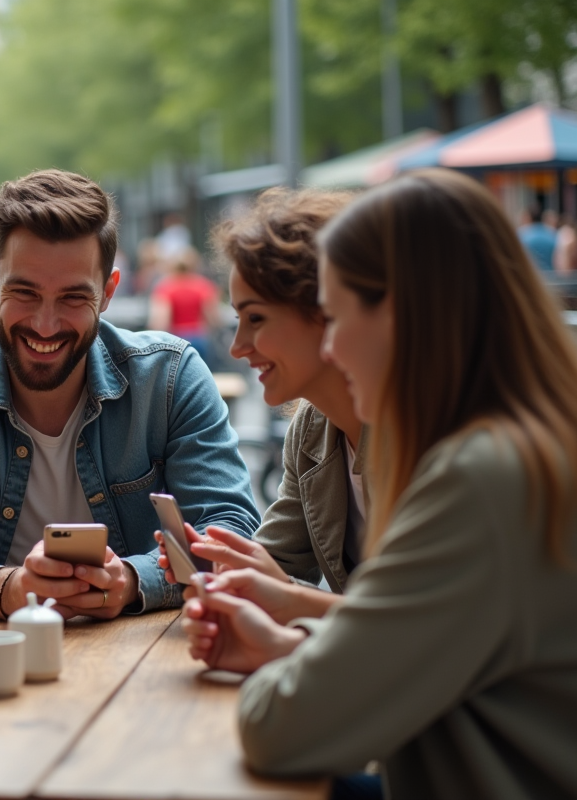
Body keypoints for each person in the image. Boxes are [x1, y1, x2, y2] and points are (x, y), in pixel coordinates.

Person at [180, 169, 577, 798]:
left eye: (335, 316)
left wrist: (288, 648)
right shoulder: (521, 442)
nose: (334, 346)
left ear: (397, 314)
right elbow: (433, 649)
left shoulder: (475, 479)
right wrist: (293, 638)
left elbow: (279, 726)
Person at [0, 169, 259, 620]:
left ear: (108, 292)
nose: (45, 325)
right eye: (24, 293)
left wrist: (130, 580)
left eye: (73, 298)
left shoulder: (170, 376)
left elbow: (230, 529)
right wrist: (6, 588)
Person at [182, 187, 365, 598]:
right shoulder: (312, 427)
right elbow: (275, 564)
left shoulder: (426, 431)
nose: (237, 346)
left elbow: (412, 623)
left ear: (326, 310)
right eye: (238, 319)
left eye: (256, 318)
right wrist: (222, 571)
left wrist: (281, 592)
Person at [147, 248, 221, 370]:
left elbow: (160, 320)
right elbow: (213, 317)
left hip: (176, 338)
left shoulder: (165, 287)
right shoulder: (203, 285)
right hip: (199, 338)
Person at [518, 203, 557, 271]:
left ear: (529, 217)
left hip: (530, 275)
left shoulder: (522, 235)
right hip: (551, 276)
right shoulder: (552, 234)